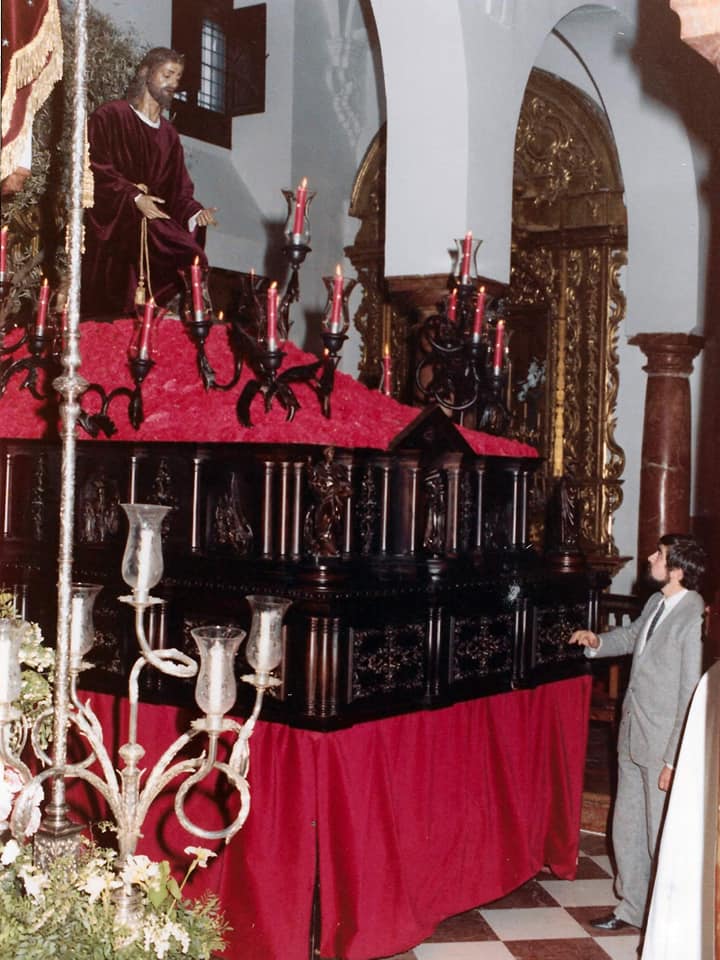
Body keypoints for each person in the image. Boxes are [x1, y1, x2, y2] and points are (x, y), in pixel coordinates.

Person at [568, 533, 706, 932]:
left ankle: (667, 920)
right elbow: (632, 637)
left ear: (677, 570)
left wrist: (673, 760)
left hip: (662, 744)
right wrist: (597, 641)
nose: (650, 558)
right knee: (627, 825)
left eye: (659, 555)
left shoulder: (694, 616)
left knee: (659, 833)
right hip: (632, 732)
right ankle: (632, 907)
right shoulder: (657, 602)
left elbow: (690, 693)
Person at [81, 47, 218, 318]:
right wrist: (134, 197)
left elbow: (179, 190)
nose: (173, 83)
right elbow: (95, 166)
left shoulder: (169, 135)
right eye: (167, 75)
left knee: (192, 255)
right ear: (146, 73)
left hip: (153, 219)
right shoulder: (111, 116)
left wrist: (194, 213)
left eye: (177, 77)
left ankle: (181, 316)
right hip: (117, 221)